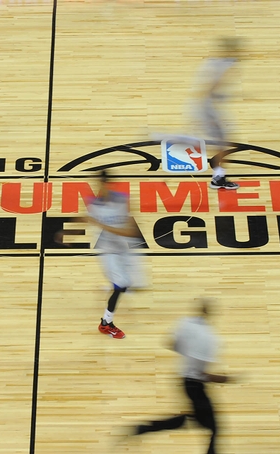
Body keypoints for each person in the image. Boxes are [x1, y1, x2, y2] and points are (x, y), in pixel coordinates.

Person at [129, 297, 233, 453]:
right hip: (195, 386)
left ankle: (143, 428)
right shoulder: (209, 338)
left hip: (184, 381)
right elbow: (201, 374)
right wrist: (225, 379)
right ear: (211, 313)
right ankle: (142, 428)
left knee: (193, 420)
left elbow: (170, 343)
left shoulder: (185, 323)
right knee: (214, 427)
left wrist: (188, 354)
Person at [83, 170, 144, 339]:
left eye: (105, 183)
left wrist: (101, 225)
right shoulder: (93, 204)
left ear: (109, 183)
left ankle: (115, 284)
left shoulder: (122, 199)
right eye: (100, 184)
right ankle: (106, 324)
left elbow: (130, 231)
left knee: (130, 283)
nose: (102, 187)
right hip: (108, 251)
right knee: (121, 285)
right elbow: (85, 218)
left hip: (123, 247)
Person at [191, 37, 243, 190]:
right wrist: (211, 116)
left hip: (205, 107)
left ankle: (218, 174)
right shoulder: (226, 66)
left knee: (223, 142)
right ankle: (218, 178)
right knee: (224, 143)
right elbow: (209, 90)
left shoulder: (216, 61)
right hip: (207, 109)